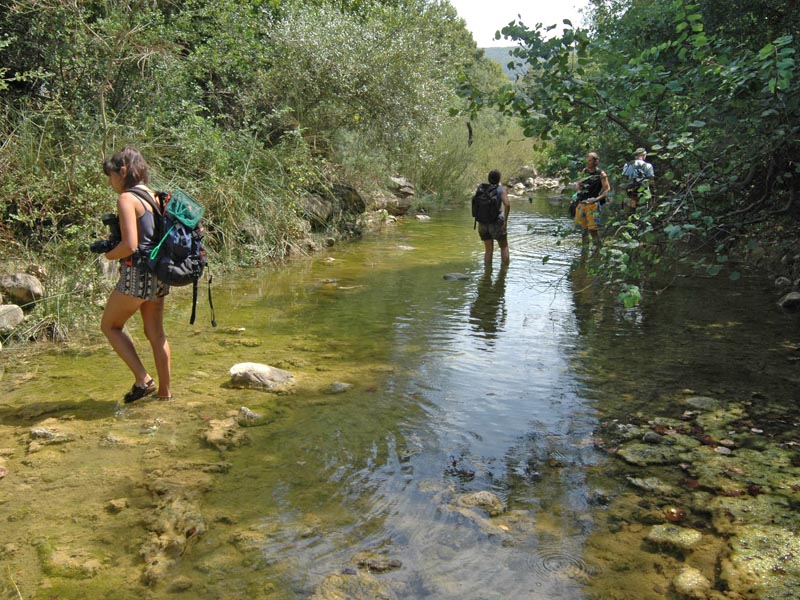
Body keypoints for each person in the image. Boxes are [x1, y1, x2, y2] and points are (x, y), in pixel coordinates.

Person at [99, 146, 171, 403]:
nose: (110, 182)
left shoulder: (127, 199)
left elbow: (130, 245)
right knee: (156, 334)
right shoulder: (154, 196)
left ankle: (143, 379)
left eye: (111, 176)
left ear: (124, 171)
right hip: (160, 274)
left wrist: (108, 254)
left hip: (137, 275)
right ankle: (165, 394)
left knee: (109, 325)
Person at [573, 152, 610, 247]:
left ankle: (598, 250)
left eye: (590, 160)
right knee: (583, 230)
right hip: (582, 203)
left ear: (595, 161)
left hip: (593, 205)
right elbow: (578, 183)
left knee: (593, 230)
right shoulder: (585, 171)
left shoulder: (601, 174)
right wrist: (577, 191)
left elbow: (607, 189)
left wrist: (596, 199)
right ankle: (584, 253)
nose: (587, 162)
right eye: (587, 160)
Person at [476, 169, 510, 267]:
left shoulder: (481, 189)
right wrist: (505, 221)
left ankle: (487, 274)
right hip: (496, 223)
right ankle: (504, 273)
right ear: (499, 179)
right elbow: (507, 205)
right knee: (503, 247)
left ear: (489, 179)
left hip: (482, 223)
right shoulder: (500, 190)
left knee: (488, 250)